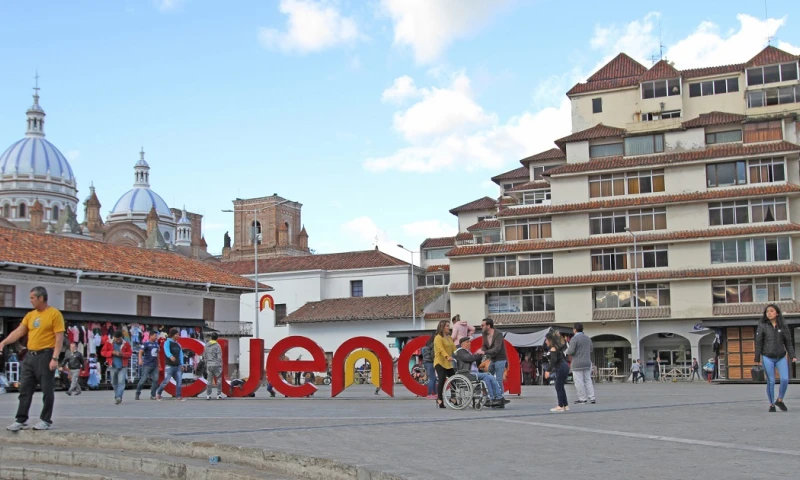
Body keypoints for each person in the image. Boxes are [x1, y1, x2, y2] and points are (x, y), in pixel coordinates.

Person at [1, 287, 64, 431]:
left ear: (41, 298)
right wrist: (3, 342)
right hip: (30, 356)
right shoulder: (30, 315)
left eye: (32, 298)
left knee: (47, 390)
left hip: (46, 355)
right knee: (25, 389)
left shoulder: (54, 314)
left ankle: (45, 420)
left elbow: (59, 338)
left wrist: (55, 358)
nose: (30, 301)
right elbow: (18, 332)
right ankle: (20, 419)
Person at [754, 304, 797, 412]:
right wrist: (757, 358)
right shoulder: (762, 326)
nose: (769, 313)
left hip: (781, 357)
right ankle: (771, 404)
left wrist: (793, 356)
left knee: (785, 379)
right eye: (767, 311)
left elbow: (788, 343)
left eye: (771, 311)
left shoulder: (783, 326)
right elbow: (758, 343)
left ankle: (780, 400)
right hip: (767, 357)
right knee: (771, 381)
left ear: (777, 313)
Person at [453, 337, 505, 408]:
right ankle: (491, 398)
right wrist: (479, 354)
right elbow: (470, 358)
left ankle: (498, 397)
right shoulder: (460, 351)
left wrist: (480, 355)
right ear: (462, 344)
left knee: (490, 375)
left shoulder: (467, 352)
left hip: (473, 373)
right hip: (466, 374)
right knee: (486, 376)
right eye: (467, 342)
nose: (469, 343)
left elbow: (474, 360)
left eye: (469, 341)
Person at [566, 322, 596, 404]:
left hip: (577, 363)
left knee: (579, 381)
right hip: (587, 362)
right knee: (588, 380)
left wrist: (567, 350)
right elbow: (591, 349)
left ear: (575, 329)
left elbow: (571, 352)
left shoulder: (574, 339)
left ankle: (582, 398)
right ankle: (592, 398)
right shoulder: (587, 338)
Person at [479, 318, 507, 401]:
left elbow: (497, 348)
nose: (481, 327)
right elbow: (484, 345)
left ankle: (500, 397)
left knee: (498, 378)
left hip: (500, 358)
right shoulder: (484, 333)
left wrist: (485, 352)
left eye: (483, 325)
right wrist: (482, 350)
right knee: (488, 376)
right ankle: (491, 395)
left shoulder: (498, 334)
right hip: (492, 358)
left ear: (488, 326)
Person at [101, 330, 133, 405]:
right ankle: (117, 395)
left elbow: (130, 353)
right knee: (113, 382)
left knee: (121, 381)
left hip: (123, 366)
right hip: (113, 365)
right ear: (114, 337)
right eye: (117, 339)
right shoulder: (109, 343)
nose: (118, 340)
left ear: (122, 337)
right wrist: (111, 353)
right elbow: (103, 352)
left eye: (119, 339)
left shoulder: (126, 344)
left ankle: (118, 397)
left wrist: (123, 354)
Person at [156, 328, 185, 401]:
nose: (178, 336)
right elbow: (166, 350)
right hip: (169, 366)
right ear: (172, 335)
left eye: (178, 334)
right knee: (166, 381)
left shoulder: (178, 344)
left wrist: (182, 364)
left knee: (179, 381)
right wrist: (170, 356)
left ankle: (178, 396)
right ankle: (158, 393)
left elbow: (181, 354)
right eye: (176, 334)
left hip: (177, 365)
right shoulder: (167, 342)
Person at [544, 331, 569, 412]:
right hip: (564, 367)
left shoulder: (553, 348)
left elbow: (553, 360)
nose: (545, 342)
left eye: (546, 340)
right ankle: (565, 405)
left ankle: (560, 405)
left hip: (561, 367)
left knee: (558, 386)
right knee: (560, 386)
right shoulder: (557, 347)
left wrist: (548, 371)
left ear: (550, 340)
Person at [433, 320, 455, 409]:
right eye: (447, 326)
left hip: (449, 363)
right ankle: (439, 399)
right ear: (442, 327)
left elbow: (454, 348)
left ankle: (454, 398)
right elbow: (441, 349)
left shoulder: (449, 337)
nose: (448, 327)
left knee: (454, 380)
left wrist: (461, 354)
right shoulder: (438, 337)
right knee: (442, 380)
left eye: (448, 325)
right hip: (440, 362)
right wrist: (447, 356)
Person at [135, 331, 160, 400]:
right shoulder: (146, 344)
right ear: (151, 336)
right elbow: (140, 352)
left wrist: (159, 363)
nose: (156, 337)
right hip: (147, 364)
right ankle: (137, 392)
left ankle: (153, 394)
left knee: (156, 379)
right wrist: (140, 360)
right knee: (143, 379)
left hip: (154, 365)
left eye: (156, 336)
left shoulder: (157, 344)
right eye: (155, 336)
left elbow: (157, 354)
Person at [205, 332, 224, 400]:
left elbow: (205, 355)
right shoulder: (217, 345)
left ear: (211, 337)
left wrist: (206, 363)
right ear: (217, 338)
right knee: (218, 379)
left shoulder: (206, 345)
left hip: (209, 364)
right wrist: (220, 364)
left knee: (209, 380)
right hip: (216, 364)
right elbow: (219, 356)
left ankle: (208, 394)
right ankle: (218, 394)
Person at [421, 335, 437, 399]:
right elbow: (433, 355)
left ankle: (435, 393)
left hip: (426, 363)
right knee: (432, 379)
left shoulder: (424, 347)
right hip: (430, 363)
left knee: (433, 378)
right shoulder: (433, 346)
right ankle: (429, 394)